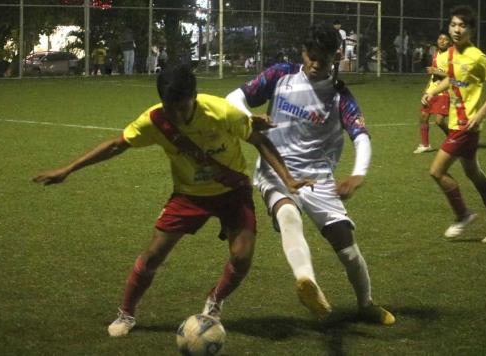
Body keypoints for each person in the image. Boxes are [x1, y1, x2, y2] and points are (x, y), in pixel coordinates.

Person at [32, 65, 313, 337]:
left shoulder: (221, 111)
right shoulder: (155, 120)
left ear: (194, 97)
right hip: (189, 195)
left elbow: (259, 140)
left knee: (242, 258)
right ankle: (126, 313)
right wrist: (68, 169)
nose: (176, 115)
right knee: (153, 255)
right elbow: (118, 144)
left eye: (183, 107)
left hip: (233, 192)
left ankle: (214, 301)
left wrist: (287, 179)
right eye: (170, 108)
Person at [226, 24, 395, 325]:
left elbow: (361, 135)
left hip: (318, 177)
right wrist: (249, 116)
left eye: (324, 59)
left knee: (347, 249)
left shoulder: (339, 95)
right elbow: (233, 98)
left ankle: (366, 304)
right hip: (275, 169)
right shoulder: (280, 75)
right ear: (303, 53)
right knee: (287, 216)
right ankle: (307, 282)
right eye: (311, 56)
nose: (316, 64)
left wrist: (358, 173)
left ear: (337, 56)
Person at [421, 5, 486, 242]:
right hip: (457, 124)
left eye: (462, 25)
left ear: (471, 29)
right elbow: (451, 79)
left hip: (465, 127)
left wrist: (479, 115)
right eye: (453, 25)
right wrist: (433, 91)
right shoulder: (450, 53)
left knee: (437, 171)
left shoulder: (477, 57)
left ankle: (463, 214)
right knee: (474, 174)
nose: (457, 30)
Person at [414, 31, 451, 154]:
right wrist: (426, 91)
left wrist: (436, 71)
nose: (442, 41)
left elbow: (454, 76)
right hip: (432, 91)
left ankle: (453, 140)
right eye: (440, 38)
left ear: (450, 41)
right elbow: (433, 77)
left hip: (444, 91)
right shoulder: (435, 54)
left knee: (439, 121)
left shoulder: (452, 55)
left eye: (445, 39)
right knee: (423, 117)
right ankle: (425, 145)